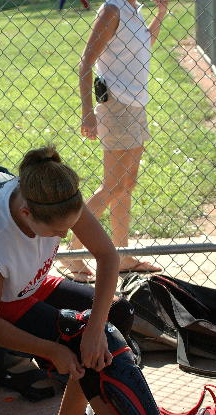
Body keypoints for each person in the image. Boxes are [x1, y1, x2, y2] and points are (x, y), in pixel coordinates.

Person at [0, 145, 165, 415]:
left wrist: (95, 330)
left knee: (115, 314)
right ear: (26, 213)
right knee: (78, 340)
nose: (65, 234)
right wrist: (53, 351)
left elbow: (107, 256)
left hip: (23, 287)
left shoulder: (54, 195)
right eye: (57, 231)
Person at [61, 0, 168, 283]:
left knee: (126, 185)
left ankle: (122, 256)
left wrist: (160, 14)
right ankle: (72, 251)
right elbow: (86, 63)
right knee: (112, 186)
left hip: (136, 106)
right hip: (116, 106)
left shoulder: (134, 10)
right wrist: (87, 112)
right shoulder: (112, 10)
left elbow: (144, 45)